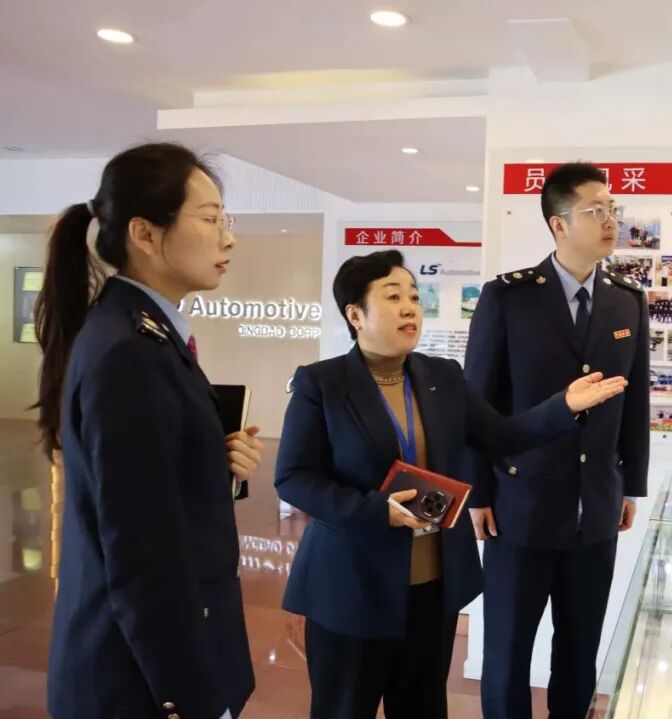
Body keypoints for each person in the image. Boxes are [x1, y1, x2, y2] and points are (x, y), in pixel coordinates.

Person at [274, 251, 627, 719]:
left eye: (414, 297)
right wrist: (372, 510)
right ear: (355, 315)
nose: (410, 308)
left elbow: (501, 437)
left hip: (431, 589)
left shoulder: (442, 376)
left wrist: (561, 406)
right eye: (393, 297)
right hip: (351, 590)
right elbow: (293, 477)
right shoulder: (322, 383)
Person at [35, 143, 264, 719]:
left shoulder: (144, 333)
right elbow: (141, 553)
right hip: (137, 678)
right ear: (144, 233)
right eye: (209, 219)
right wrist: (187, 697)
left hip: (153, 656)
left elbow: (152, 488)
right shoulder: (129, 351)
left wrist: (214, 460)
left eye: (226, 221)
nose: (228, 239)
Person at [465, 162, 651, 719]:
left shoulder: (627, 300)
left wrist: (629, 485)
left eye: (613, 209)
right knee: (507, 655)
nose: (610, 220)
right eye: (596, 210)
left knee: (579, 652)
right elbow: (478, 404)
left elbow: (635, 402)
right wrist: (478, 493)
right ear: (559, 223)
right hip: (519, 508)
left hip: (596, 510)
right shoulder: (509, 298)